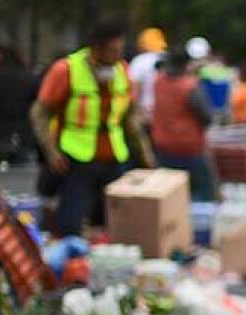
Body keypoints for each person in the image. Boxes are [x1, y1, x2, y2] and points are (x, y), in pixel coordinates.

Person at [32, 20, 156, 236]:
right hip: (77, 158)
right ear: (96, 48)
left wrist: (146, 158)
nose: (117, 56)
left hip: (114, 157)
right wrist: (51, 151)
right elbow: (40, 113)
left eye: (120, 49)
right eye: (112, 51)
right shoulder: (66, 70)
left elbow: (129, 119)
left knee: (116, 223)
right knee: (71, 222)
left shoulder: (123, 71)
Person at [152, 45, 217, 202]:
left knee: (168, 196)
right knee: (201, 194)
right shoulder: (191, 86)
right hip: (190, 149)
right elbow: (206, 117)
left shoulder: (158, 81)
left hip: (163, 148)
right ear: (187, 64)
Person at [129, 27, 167, 118]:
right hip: (168, 113)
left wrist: (134, 113)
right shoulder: (169, 58)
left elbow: (134, 89)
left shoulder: (139, 61)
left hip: (146, 113)